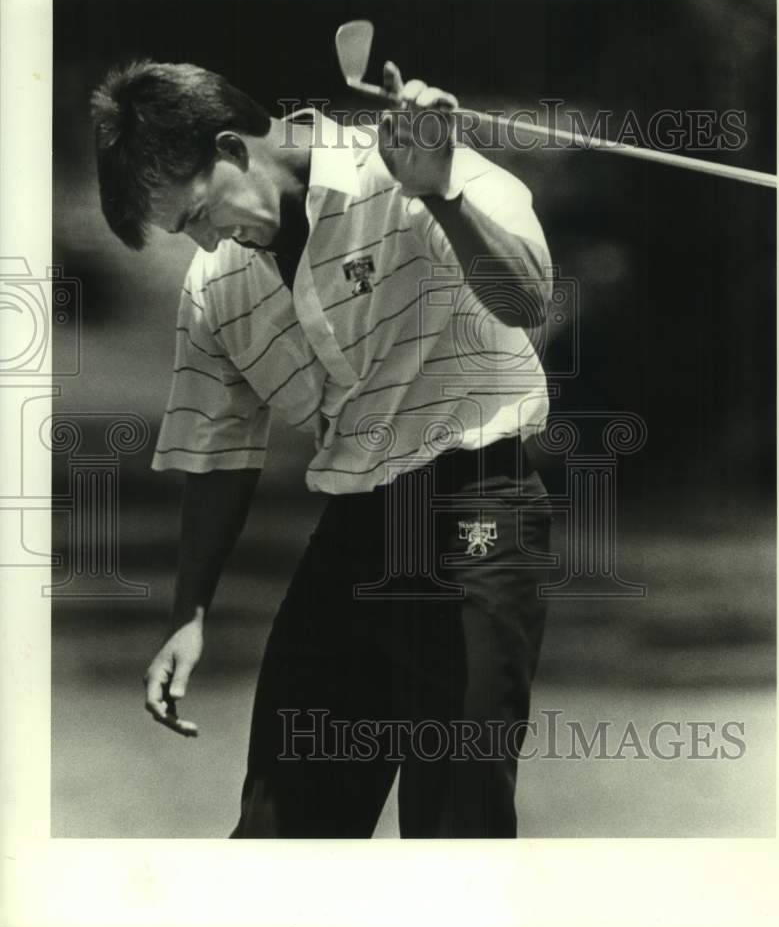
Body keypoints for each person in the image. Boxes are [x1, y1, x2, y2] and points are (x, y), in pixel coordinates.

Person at [90, 56, 555, 838]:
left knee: (455, 821)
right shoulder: (215, 286)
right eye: (185, 232)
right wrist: (188, 613)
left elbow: (526, 300)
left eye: (199, 214)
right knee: (278, 827)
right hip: (353, 530)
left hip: (476, 514)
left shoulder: (418, 167)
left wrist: (440, 196)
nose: (204, 240)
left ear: (233, 149)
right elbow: (220, 450)